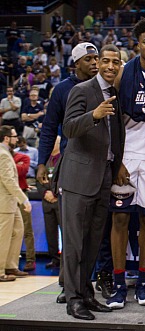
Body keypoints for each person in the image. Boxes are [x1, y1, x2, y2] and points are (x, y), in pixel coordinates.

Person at [59, 44, 125, 321]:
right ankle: (73, 298)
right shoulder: (82, 90)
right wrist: (94, 115)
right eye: (105, 61)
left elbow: (116, 136)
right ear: (98, 63)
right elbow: (69, 128)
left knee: (92, 242)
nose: (110, 66)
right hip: (78, 178)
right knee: (75, 243)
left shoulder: (114, 94)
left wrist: (117, 165)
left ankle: (86, 293)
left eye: (115, 62)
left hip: (103, 177)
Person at [106, 18, 145, 309]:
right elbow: (112, 121)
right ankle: (120, 285)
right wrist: (116, 160)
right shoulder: (123, 74)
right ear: (138, 44)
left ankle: (143, 284)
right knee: (120, 219)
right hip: (127, 152)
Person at [36, 42, 102, 303]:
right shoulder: (62, 89)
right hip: (72, 167)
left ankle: (86, 285)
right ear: (76, 63)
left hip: (99, 166)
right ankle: (68, 285)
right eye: (89, 59)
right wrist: (42, 162)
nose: (95, 63)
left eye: (96, 57)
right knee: (71, 232)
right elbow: (49, 128)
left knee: (92, 234)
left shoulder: (104, 86)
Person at [0, 126, 32, 282]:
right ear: (6, 138)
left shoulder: (6, 153)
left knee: (18, 231)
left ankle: (10, 265)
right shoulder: (3, 154)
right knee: (3, 237)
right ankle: (0, 271)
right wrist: (23, 198)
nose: (16, 139)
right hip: (4, 202)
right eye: (14, 136)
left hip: (10, 201)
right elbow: (8, 180)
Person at [36, 136, 62, 269]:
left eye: (55, 142)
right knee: (50, 232)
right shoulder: (44, 161)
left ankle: (65, 259)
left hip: (60, 201)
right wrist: (45, 193)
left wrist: (55, 193)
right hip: (47, 202)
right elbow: (38, 180)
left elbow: (65, 178)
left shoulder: (63, 158)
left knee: (65, 231)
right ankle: (54, 258)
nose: (52, 145)